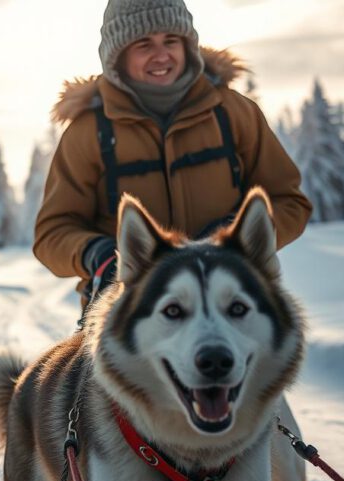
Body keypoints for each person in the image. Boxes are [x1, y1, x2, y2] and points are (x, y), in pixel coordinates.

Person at [33, 0, 312, 314]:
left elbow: (289, 201)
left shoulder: (234, 113)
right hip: (126, 315)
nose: (161, 55)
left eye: (171, 40)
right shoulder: (87, 133)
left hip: (233, 305)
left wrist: (239, 238)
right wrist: (96, 253)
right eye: (144, 44)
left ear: (187, 45)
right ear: (118, 54)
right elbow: (52, 234)